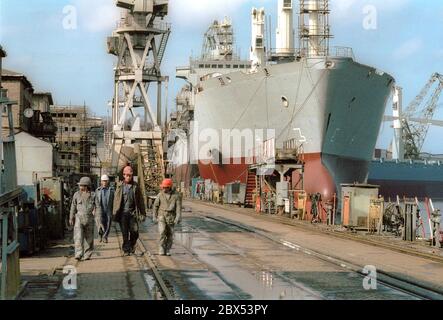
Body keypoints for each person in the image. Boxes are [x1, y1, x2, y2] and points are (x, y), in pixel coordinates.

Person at [113, 166, 147, 256]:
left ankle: (132, 246)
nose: (128, 177)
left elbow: (140, 201)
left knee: (135, 232)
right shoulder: (120, 186)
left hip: (133, 214)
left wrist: (143, 213)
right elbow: (116, 200)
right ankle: (126, 250)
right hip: (122, 214)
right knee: (125, 233)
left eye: (130, 175)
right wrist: (114, 213)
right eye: (127, 175)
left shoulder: (136, 186)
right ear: (123, 175)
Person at [153, 179, 182, 256]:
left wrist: (177, 218)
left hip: (171, 217)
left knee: (170, 234)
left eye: (166, 187)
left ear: (170, 187)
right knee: (162, 232)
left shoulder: (176, 196)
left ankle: (168, 249)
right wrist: (154, 216)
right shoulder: (160, 195)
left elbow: (178, 208)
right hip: (162, 216)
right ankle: (161, 248)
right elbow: (155, 206)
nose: (164, 189)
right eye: (163, 187)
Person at [69, 177, 96, 261]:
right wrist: (71, 217)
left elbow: (98, 207)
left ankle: (87, 254)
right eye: (80, 185)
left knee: (89, 238)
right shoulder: (76, 195)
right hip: (79, 218)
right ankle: (78, 254)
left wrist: (99, 220)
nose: (80, 187)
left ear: (86, 186)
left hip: (89, 218)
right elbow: (73, 206)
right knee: (78, 237)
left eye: (81, 185)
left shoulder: (93, 195)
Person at [95, 175, 115, 243]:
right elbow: (95, 200)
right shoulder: (97, 190)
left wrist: (114, 210)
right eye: (103, 181)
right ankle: (100, 235)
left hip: (108, 209)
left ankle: (105, 236)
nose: (104, 182)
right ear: (101, 181)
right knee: (100, 223)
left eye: (106, 181)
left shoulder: (112, 190)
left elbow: (114, 201)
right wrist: (94, 209)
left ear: (108, 181)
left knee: (108, 224)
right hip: (100, 209)